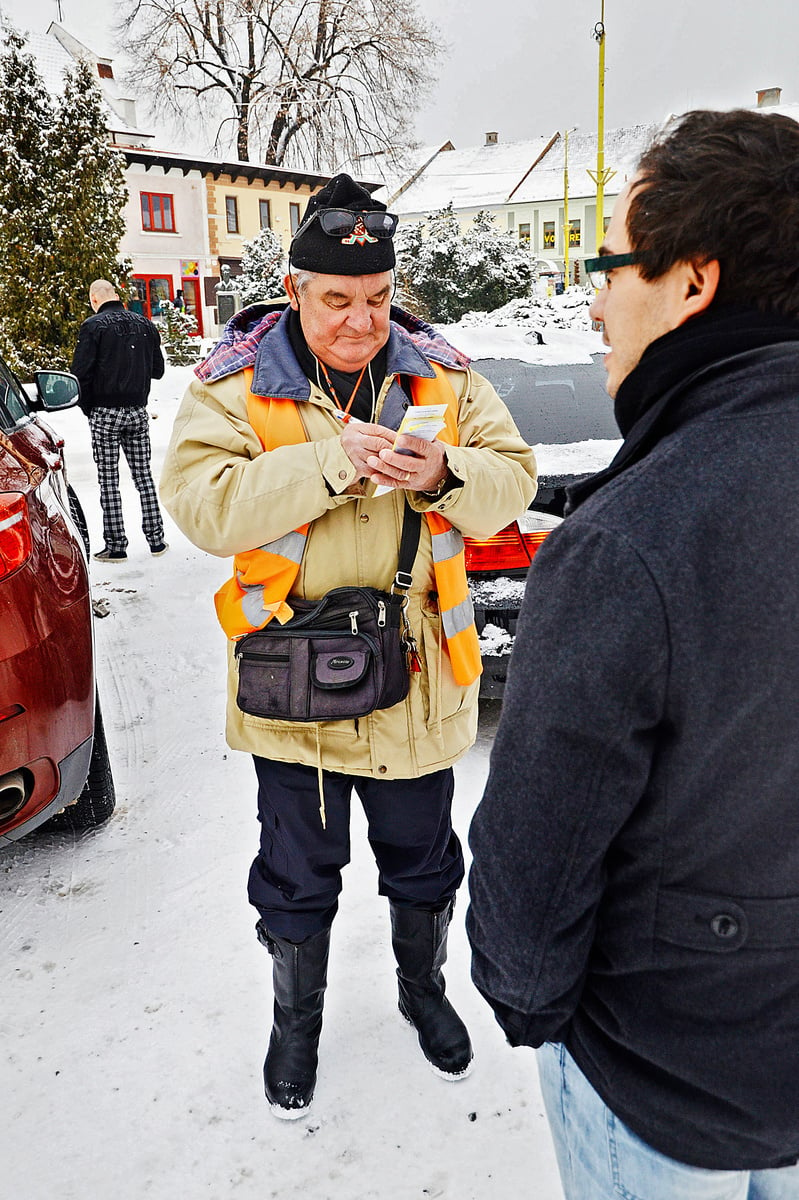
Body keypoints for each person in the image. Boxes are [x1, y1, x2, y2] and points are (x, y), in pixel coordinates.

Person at [467, 107, 799, 1199]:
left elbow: (532, 860)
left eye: (611, 261)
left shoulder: (628, 541)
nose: (598, 296)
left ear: (691, 281)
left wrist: (528, 1005)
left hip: (660, 1078)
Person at [160, 173, 537, 1119]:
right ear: (294, 290)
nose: (360, 320)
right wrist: (334, 462)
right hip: (296, 691)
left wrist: (449, 469)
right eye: (336, 300)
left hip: (417, 685)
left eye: (375, 298)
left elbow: (513, 482)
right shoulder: (233, 387)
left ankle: (423, 989)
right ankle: (297, 1025)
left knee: (425, 863)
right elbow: (203, 507)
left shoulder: (443, 378)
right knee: (294, 879)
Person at [71, 280, 168, 562]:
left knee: (108, 480)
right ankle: (157, 540)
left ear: (94, 299)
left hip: (104, 411)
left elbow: (80, 374)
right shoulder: (145, 325)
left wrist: (88, 407)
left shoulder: (93, 327)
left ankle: (116, 545)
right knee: (144, 476)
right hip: (137, 410)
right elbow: (158, 371)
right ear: (116, 296)